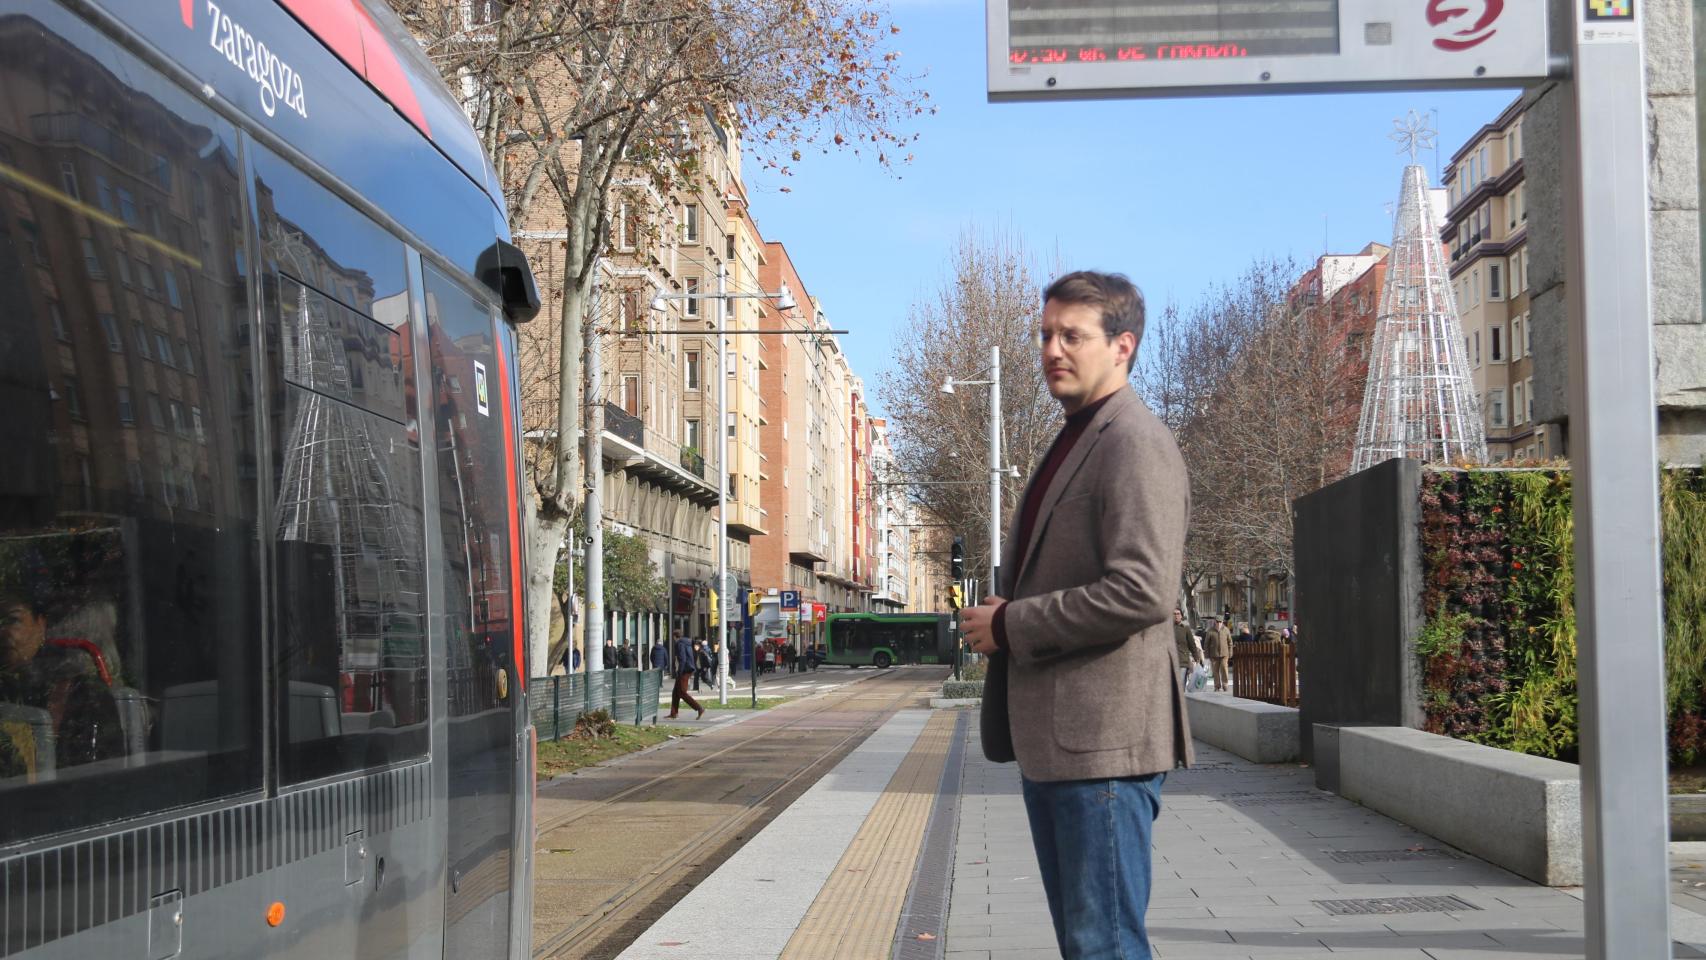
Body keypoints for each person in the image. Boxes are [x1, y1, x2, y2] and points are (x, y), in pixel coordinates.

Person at [961, 271, 1190, 960]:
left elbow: (1144, 590)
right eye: (1045, 335)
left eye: (1072, 336)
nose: (1052, 350)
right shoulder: (1076, 435)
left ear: (1122, 345)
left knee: (1105, 946)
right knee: (1086, 944)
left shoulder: (1133, 443)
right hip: (1066, 745)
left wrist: (1011, 625)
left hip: (1105, 747)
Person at [1, 582, 124, 778]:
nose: (2, 632)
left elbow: (97, 781)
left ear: (41, 626)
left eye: (13, 620)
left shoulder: (82, 694)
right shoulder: (9, 690)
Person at [665, 633, 704, 720]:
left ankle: (699, 708)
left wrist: (680, 671)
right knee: (675, 692)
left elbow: (682, 658)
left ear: (675, 637)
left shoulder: (680, 644)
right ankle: (673, 713)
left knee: (682, 692)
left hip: (685, 670)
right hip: (689, 668)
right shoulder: (688, 642)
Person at [1172, 609, 1201, 688]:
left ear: (1181, 616)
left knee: (1180, 685)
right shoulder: (1168, 629)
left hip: (1183, 661)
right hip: (1171, 661)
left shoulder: (1186, 628)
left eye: (1178, 614)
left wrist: (1196, 657)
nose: (1176, 616)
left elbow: (1192, 644)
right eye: (1174, 614)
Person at [1204, 617, 1232, 693]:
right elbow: (1206, 644)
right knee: (1215, 671)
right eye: (1217, 621)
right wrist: (1206, 655)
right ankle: (1217, 686)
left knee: (1224, 669)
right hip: (1214, 654)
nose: (1219, 623)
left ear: (1222, 622)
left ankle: (1225, 684)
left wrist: (1230, 653)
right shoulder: (1210, 631)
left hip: (1224, 654)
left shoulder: (1226, 630)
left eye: (1220, 621)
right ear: (1215, 622)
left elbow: (1230, 642)